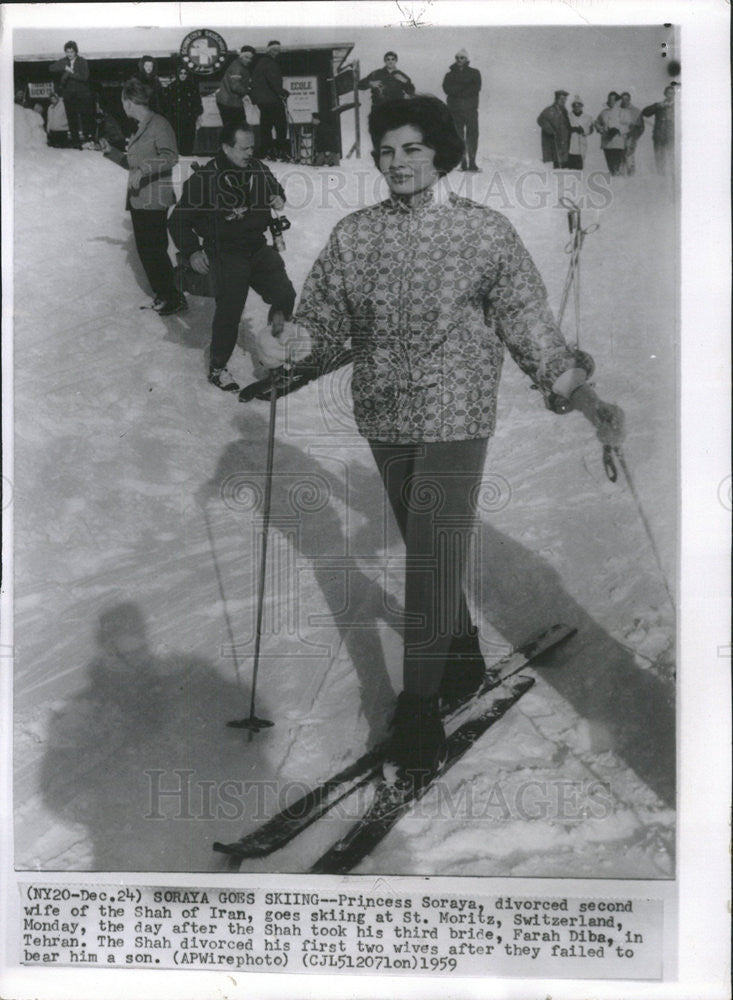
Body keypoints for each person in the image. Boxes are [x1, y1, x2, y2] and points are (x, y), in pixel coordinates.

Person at [255, 96, 625, 786]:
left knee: (428, 556)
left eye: (412, 149)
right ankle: (457, 651)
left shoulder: (482, 232)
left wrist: (575, 388)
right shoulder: (355, 235)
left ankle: (418, 707)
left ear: (439, 154)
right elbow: (327, 326)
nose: (397, 162)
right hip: (384, 414)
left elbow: (526, 319)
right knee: (422, 539)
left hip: (455, 412)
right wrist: (288, 347)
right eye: (386, 150)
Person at [168, 122, 296, 391]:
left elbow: (276, 189)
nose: (250, 152)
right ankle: (217, 367)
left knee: (284, 295)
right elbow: (178, 220)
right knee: (230, 308)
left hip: (258, 248)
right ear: (226, 147)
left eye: (252, 147)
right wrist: (191, 252)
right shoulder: (205, 178)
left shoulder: (258, 168)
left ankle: (274, 355)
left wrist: (277, 198)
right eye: (244, 148)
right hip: (226, 251)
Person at [100, 78, 186, 317]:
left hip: (154, 199)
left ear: (129, 102)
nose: (123, 107)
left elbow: (171, 157)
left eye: (123, 102)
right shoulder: (141, 126)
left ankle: (173, 296)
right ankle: (165, 294)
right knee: (148, 251)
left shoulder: (159, 124)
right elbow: (133, 164)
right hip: (140, 198)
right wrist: (111, 153)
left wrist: (143, 169)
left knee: (154, 250)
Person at [441, 48, 482, 171]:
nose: (459, 60)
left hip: (470, 110)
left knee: (472, 136)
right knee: (458, 136)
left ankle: (472, 162)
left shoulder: (475, 73)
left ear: (467, 59)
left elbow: (476, 88)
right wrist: (463, 89)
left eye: (462, 58)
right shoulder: (449, 74)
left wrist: (457, 91)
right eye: (457, 58)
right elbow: (446, 88)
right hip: (455, 110)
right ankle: (463, 162)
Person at [49, 41, 94, 148]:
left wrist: (71, 73)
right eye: (67, 52)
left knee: (84, 116)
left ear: (76, 51)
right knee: (71, 118)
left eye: (71, 52)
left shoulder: (82, 61)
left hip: (82, 95)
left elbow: (85, 77)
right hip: (69, 95)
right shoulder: (64, 61)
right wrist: (63, 68)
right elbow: (51, 68)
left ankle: (87, 139)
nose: (69, 54)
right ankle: (75, 141)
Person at [250, 40, 290, 160]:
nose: (276, 52)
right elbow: (273, 81)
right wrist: (282, 92)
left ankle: (267, 151)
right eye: (273, 50)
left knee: (266, 126)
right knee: (281, 125)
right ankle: (280, 151)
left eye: (278, 50)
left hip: (263, 101)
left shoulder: (261, 62)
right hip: (272, 100)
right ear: (268, 50)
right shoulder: (270, 63)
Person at [165, 64, 204, 155]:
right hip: (176, 120)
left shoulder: (192, 87)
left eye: (185, 73)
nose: (183, 75)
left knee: (188, 141)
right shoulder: (172, 87)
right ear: (177, 74)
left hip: (189, 120)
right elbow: (167, 104)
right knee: (176, 141)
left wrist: (197, 114)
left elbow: (197, 103)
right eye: (181, 73)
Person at [215, 45, 255, 129]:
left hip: (233, 101)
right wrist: (248, 92)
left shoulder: (242, 66)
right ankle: (227, 142)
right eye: (246, 57)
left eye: (251, 58)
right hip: (229, 102)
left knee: (236, 127)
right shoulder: (237, 67)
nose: (249, 60)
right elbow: (235, 86)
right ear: (241, 56)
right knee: (234, 128)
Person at [642, 84, 676, 176]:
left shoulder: (678, 106)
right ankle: (661, 178)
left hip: (672, 136)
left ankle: (673, 179)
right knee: (659, 158)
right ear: (665, 94)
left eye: (672, 93)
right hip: (659, 136)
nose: (670, 95)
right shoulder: (659, 105)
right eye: (668, 93)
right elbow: (645, 112)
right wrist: (657, 106)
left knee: (673, 158)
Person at [595, 91, 627, 176]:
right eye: (609, 99)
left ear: (617, 101)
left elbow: (628, 125)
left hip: (618, 143)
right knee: (611, 166)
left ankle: (620, 182)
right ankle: (614, 182)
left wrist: (618, 129)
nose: (610, 101)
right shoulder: (604, 112)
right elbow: (597, 123)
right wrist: (601, 129)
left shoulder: (623, 112)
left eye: (612, 100)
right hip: (607, 143)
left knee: (618, 167)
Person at [537, 90, 571, 168]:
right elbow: (540, 120)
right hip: (553, 143)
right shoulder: (550, 110)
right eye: (561, 99)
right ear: (556, 99)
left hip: (563, 143)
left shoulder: (565, 111)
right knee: (554, 165)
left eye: (565, 99)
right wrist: (550, 131)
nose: (563, 101)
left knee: (563, 165)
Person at [618, 91, 644, 176]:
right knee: (620, 158)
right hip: (619, 137)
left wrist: (635, 136)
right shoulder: (617, 110)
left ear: (629, 99)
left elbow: (641, 127)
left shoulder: (636, 111)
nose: (624, 101)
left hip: (631, 137)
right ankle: (620, 176)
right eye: (622, 99)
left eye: (626, 99)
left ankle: (631, 176)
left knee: (629, 157)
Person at [566, 95, 594, 170]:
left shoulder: (587, 117)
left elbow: (591, 130)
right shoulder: (568, 116)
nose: (577, 107)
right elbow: (565, 128)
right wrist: (572, 129)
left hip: (582, 145)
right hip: (571, 145)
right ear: (572, 107)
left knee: (580, 168)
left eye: (579, 105)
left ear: (582, 106)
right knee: (570, 168)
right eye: (575, 106)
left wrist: (583, 130)